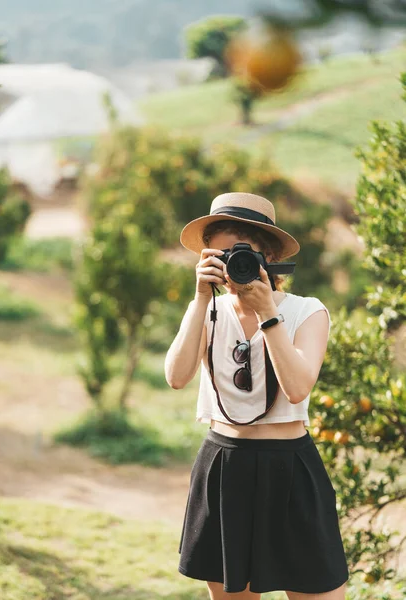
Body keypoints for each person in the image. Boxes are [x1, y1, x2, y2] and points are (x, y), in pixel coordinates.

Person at [164, 192, 350, 600]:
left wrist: (268, 315)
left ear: (268, 257)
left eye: (241, 253)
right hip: (225, 467)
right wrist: (199, 299)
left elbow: (299, 387)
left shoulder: (307, 311)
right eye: (220, 253)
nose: (233, 263)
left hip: (290, 470)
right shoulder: (207, 312)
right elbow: (177, 377)